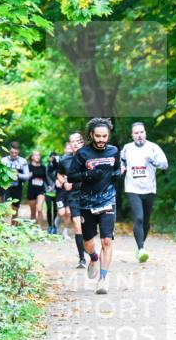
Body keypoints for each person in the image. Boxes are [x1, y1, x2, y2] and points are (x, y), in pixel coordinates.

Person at [67, 117, 121, 294]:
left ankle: (103, 279)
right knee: (88, 242)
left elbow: (117, 169)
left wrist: (118, 174)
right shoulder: (83, 154)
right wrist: (88, 175)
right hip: (87, 202)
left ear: (108, 136)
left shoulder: (114, 151)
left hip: (107, 200)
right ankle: (93, 257)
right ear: (91, 135)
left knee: (107, 240)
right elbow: (71, 177)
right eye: (97, 136)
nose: (101, 140)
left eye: (104, 136)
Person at [120, 122, 169, 262]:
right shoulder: (127, 148)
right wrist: (121, 168)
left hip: (149, 189)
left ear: (145, 133)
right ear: (132, 135)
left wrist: (153, 160)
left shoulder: (153, 147)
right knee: (139, 218)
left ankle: (140, 246)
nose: (139, 135)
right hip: (132, 188)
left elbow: (165, 164)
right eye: (136, 133)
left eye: (141, 132)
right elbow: (120, 161)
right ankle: (141, 248)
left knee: (146, 221)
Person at [57, 133, 87, 267]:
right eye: (72, 141)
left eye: (78, 141)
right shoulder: (65, 160)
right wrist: (64, 182)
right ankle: (82, 259)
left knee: (88, 227)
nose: (75, 143)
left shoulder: (90, 156)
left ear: (83, 142)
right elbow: (59, 173)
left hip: (89, 195)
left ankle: (89, 247)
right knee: (77, 225)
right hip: (74, 196)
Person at [0, 141, 31, 225]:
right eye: (12, 152)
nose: (14, 154)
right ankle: (4, 227)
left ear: (18, 152)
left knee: (15, 208)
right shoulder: (3, 160)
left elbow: (27, 176)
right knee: (5, 207)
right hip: (5, 186)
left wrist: (18, 174)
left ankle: (13, 228)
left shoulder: (22, 161)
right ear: (9, 151)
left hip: (17, 187)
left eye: (16, 153)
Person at [26, 150, 48, 231]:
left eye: (38, 155)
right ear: (32, 157)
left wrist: (33, 174)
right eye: (35, 155)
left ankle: (39, 227)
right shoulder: (28, 167)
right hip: (31, 190)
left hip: (41, 190)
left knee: (39, 209)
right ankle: (32, 228)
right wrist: (36, 173)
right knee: (33, 211)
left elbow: (44, 176)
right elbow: (27, 176)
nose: (37, 157)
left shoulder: (43, 167)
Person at [45, 152, 60, 235]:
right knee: (48, 209)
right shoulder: (47, 167)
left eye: (55, 157)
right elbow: (45, 177)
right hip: (48, 191)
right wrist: (48, 186)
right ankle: (50, 226)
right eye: (52, 157)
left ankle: (54, 226)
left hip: (56, 192)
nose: (53, 159)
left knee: (55, 209)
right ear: (49, 158)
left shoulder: (59, 167)